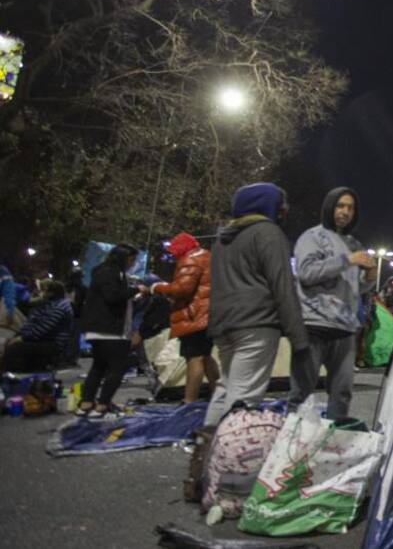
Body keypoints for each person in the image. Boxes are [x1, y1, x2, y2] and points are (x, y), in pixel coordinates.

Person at [205, 182, 308, 427]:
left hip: (224, 325)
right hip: (256, 325)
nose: (284, 210)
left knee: (224, 388)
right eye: (281, 204)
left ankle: (204, 453)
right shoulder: (268, 233)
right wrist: (299, 337)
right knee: (243, 398)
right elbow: (282, 286)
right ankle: (228, 461)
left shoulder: (222, 239)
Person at [289, 187, 372, 422]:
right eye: (340, 206)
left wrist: (370, 277)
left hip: (345, 328)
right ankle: (293, 449)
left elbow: (354, 287)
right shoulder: (312, 237)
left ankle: (333, 446)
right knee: (302, 394)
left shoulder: (354, 242)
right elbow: (306, 273)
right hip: (314, 323)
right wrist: (347, 260)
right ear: (329, 207)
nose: (345, 212)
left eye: (350, 207)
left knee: (342, 393)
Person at [77, 244, 147, 417]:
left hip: (99, 329)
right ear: (122, 257)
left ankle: (86, 404)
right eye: (131, 260)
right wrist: (136, 289)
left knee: (99, 367)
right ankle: (102, 406)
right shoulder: (111, 272)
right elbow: (113, 296)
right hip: (109, 330)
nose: (133, 263)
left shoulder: (103, 271)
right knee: (117, 368)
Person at [151, 232, 219, 404]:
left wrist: (156, 288)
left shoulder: (191, 259)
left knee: (194, 358)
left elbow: (182, 289)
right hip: (208, 314)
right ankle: (218, 393)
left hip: (195, 316)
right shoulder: (206, 256)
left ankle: (189, 400)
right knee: (205, 356)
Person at [1, 280, 73, 373]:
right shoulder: (47, 304)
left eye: (44, 290)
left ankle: (14, 373)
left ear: (51, 293)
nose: (41, 293)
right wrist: (18, 335)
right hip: (42, 339)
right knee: (8, 342)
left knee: (15, 348)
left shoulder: (60, 307)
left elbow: (43, 329)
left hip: (52, 343)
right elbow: (31, 322)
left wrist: (22, 338)